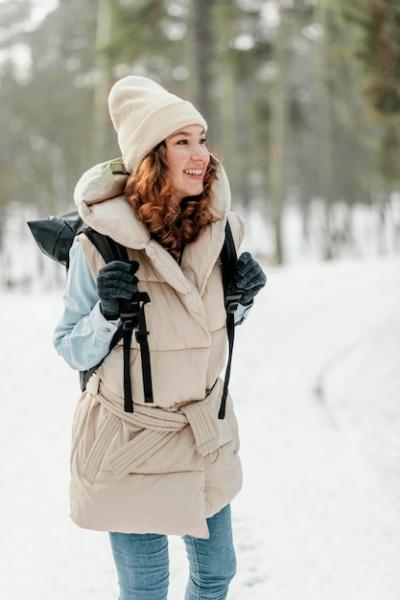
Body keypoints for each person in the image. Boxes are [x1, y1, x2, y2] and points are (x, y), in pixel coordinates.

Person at [53, 75, 266, 600]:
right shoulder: (100, 243)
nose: (202, 155)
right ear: (152, 156)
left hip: (202, 432)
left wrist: (240, 302)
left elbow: (200, 331)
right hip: (132, 440)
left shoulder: (222, 231)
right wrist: (107, 309)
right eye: (182, 142)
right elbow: (70, 347)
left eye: (203, 138)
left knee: (217, 574)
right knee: (146, 590)